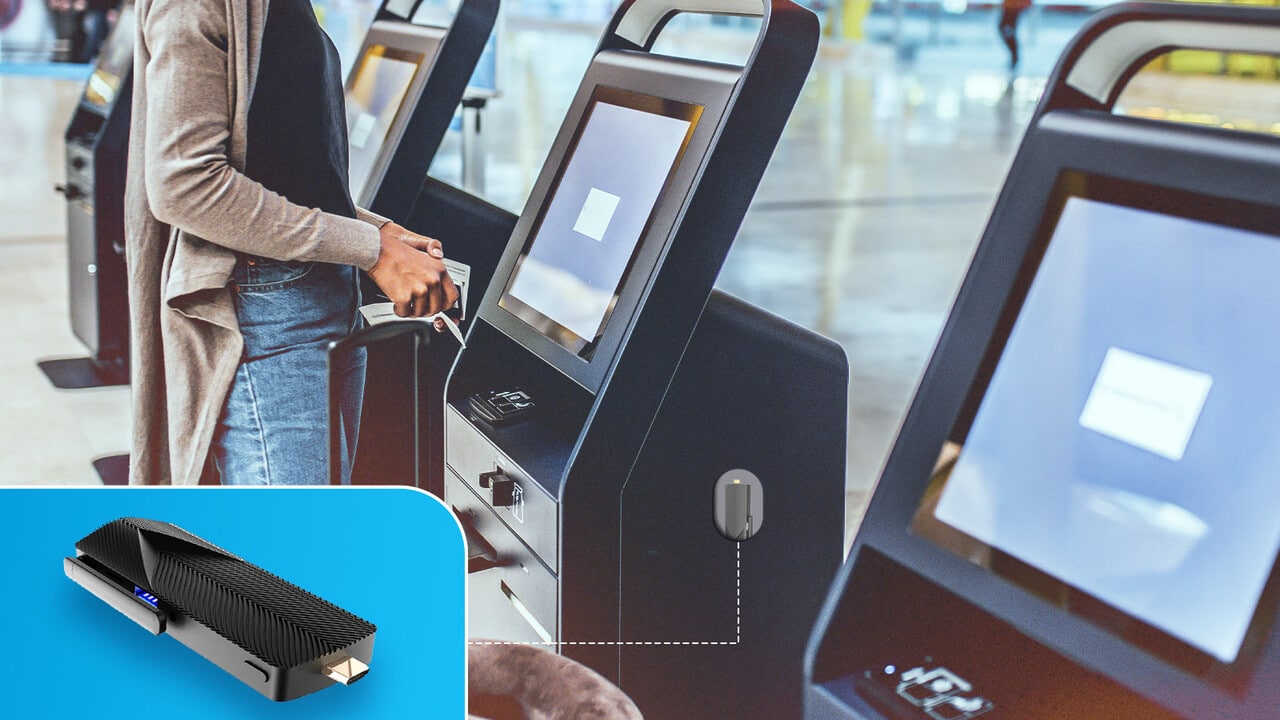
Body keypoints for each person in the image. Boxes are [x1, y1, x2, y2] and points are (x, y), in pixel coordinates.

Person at [124, 0, 458, 486]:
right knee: (292, 551)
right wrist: (373, 251)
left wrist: (374, 231)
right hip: (267, 314)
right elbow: (186, 183)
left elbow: (279, 164)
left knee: (319, 535)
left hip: (316, 297)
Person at [997, 0, 1031, 69]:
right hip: (1012, 5)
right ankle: (1014, 58)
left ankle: (1014, 58)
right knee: (1007, 30)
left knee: (1007, 30)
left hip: (1014, 5)